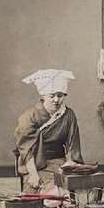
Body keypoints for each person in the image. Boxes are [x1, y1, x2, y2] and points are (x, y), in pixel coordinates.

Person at [15, 69, 83, 198]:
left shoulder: (68, 115)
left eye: (60, 95)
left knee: (66, 189)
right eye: (52, 96)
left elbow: (72, 144)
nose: (56, 100)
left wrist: (69, 164)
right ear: (43, 96)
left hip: (58, 161)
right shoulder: (29, 116)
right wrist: (33, 174)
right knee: (37, 189)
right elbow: (26, 149)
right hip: (34, 162)